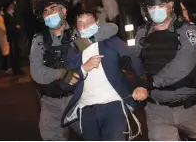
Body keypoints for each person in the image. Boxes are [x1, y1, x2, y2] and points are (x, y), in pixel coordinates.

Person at [134, 0, 196, 140]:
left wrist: (151, 82)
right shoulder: (142, 33)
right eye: (151, 7)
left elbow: (183, 65)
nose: (156, 10)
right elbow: (138, 63)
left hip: (190, 107)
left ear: (170, 5)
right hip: (157, 109)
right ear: (145, 9)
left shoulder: (187, 30)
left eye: (161, 5)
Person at [60, 9, 147, 141]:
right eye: (81, 23)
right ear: (76, 28)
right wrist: (83, 68)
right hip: (87, 109)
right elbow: (64, 84)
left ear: (97, 22)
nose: (85, 26)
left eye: (89, 22)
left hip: (113, 105)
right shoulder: (73, 50)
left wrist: (142, 84)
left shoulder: (111, 42)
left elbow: (135, 62)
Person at [30, 0, 80, 140]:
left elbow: (93, 61)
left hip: (78, 100)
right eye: (45, 11)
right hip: (50, 103)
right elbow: (37, 72)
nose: (50, 13)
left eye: (53, 8)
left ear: (63, 10)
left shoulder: (77, 35)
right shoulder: (39, 40)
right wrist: (62, 74)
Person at [3, 1, 24, 75]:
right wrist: (15, 27)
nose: (12, 8)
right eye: (11, 7)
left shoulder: (13, 15)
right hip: (11, 37)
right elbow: (7, 27)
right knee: (13, 53)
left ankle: (18, 68)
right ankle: (15, 69)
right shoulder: (6, 16)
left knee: (17, 52)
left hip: (15, 36)